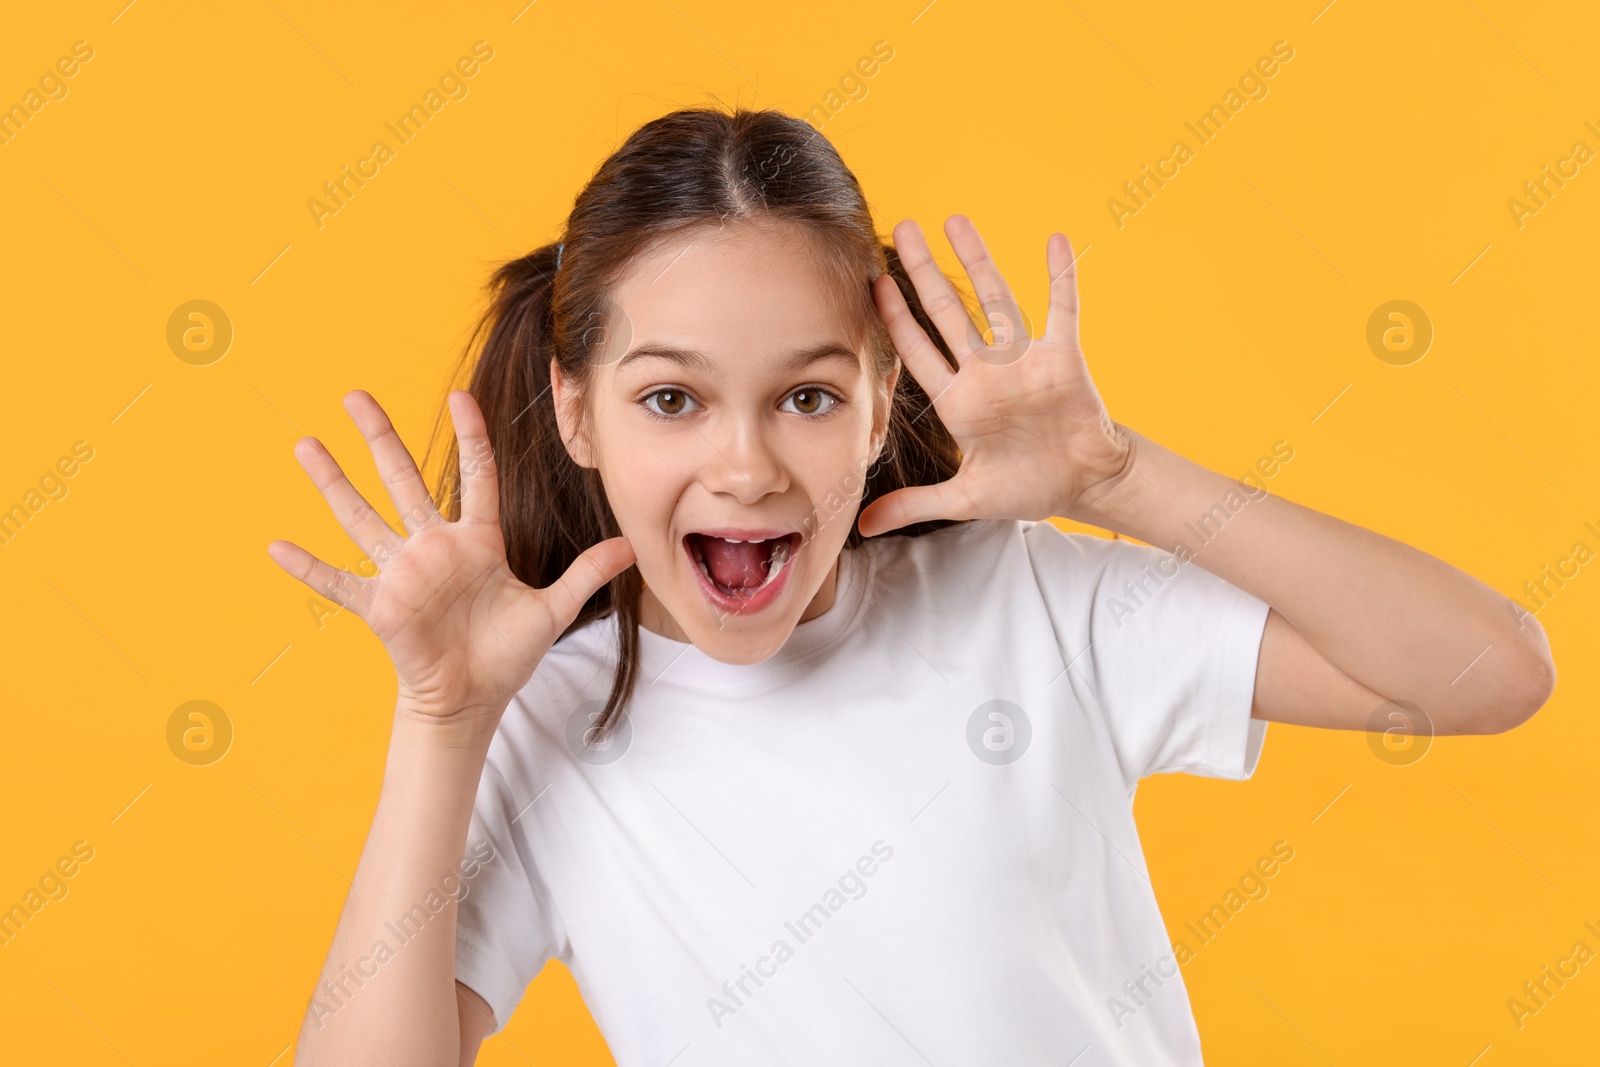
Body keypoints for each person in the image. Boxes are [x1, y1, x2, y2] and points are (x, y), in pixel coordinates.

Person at [268, 107, 1556, 1066]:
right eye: (671, 398)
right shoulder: (550, 719)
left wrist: (1114, 476)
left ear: (887, 405)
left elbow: (1489, 674)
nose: (747, 463)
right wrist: (443, 721)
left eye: (810, 397)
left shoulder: (1027, 603)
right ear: (577, 414)